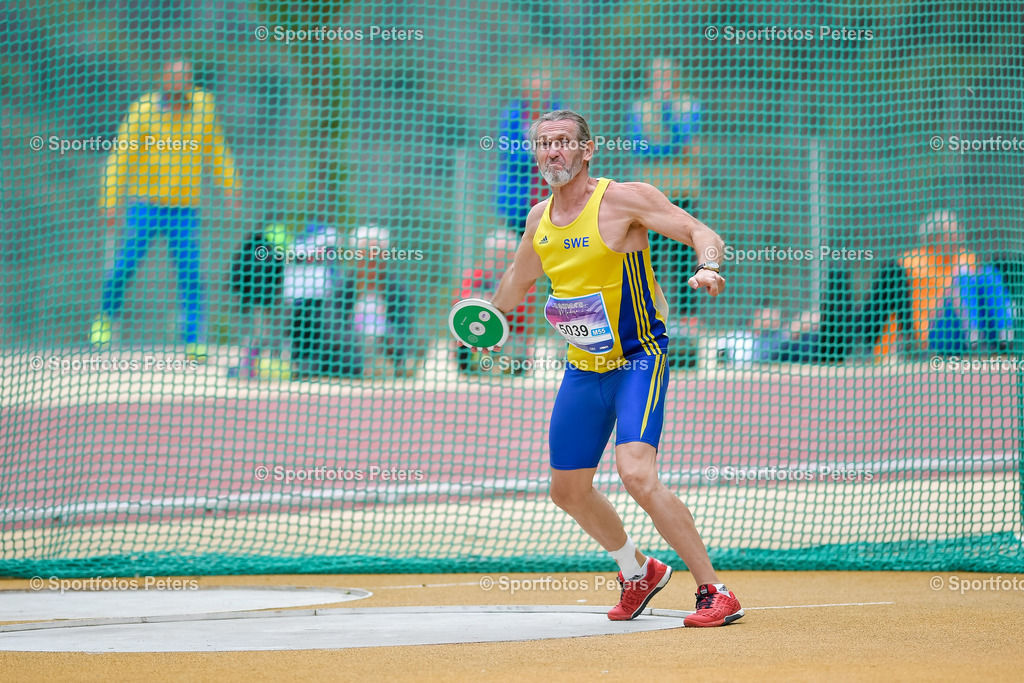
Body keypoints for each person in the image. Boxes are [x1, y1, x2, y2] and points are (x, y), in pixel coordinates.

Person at [482, 110, 742, 627]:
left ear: (586, 150)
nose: (551, 153)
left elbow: (699, 231)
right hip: (583, 368)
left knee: (637, 475)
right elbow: (514, 286)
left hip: (638, 358)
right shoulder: (538, 220)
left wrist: (709, 266)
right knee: (568, 489)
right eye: (542, 145)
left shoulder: (624, 200)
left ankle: (715, 590)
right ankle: (637, 571)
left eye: (562, 143)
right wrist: (480, 319)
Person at [90, 59, 241, 361]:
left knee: (192, 273)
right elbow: (119, 158)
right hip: (144, 205)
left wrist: (230, 186)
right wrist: (110, 201)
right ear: (163, 80)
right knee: (125, 264)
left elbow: (217, 149)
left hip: (184, 210)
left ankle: (194, 340)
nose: (180, 84)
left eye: (185, 78)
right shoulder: (143, 111)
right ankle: (105, 319)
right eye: (174, 78)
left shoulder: (203, 107)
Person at [858, 210, 1013, 359]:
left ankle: (1006, 335)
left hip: (972, 325)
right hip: (934, 331)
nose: (955, 238)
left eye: (956, 232)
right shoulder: (911, 262)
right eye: (947, 233)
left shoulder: (967, 258)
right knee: (963, 278)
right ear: (933, 237)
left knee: (989, 274)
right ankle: (972, 335)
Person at [628, 58, 703, 312]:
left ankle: (687, 314)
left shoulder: (689, 106)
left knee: (683, 253)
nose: (663, 81)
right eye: (657, 76)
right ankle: (652, 310)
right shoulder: (639, 108)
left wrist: (666, 110)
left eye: (667, 76)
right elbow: (640, 147)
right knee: (652, 254)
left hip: (683, 189)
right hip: (652, 194)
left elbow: (685, 138)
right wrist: (671, 149)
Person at [329, 225, 420, 379]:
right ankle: (369, 368)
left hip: (386, 347)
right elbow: (334, 326)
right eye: (366, 254)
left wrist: (392, 338)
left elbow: (405, 325)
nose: (371, 260)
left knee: (414, 341)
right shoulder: (344, 289)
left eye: (377, 254)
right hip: (354, 349)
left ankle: (388, 366)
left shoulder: (397, 290)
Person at [454, 229, 537, 375]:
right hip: (480, 332)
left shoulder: (521, 279)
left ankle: (502, 365)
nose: (499, 260)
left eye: (504, 255)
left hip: (510, 334)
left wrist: (492, 303)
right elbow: (461, 300)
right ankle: (475, 366)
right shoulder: (476, 274)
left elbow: (520, 310)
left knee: (514, 357)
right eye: (495, 255)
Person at [496, 69, 563, 236]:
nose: (539, 94)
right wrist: (541, 154)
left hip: (551, 193)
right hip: (519, 197)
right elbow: (510, 152)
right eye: (534, 89)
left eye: (544, 89)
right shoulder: (512, 115)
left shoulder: (560, 113)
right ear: (526, 91)